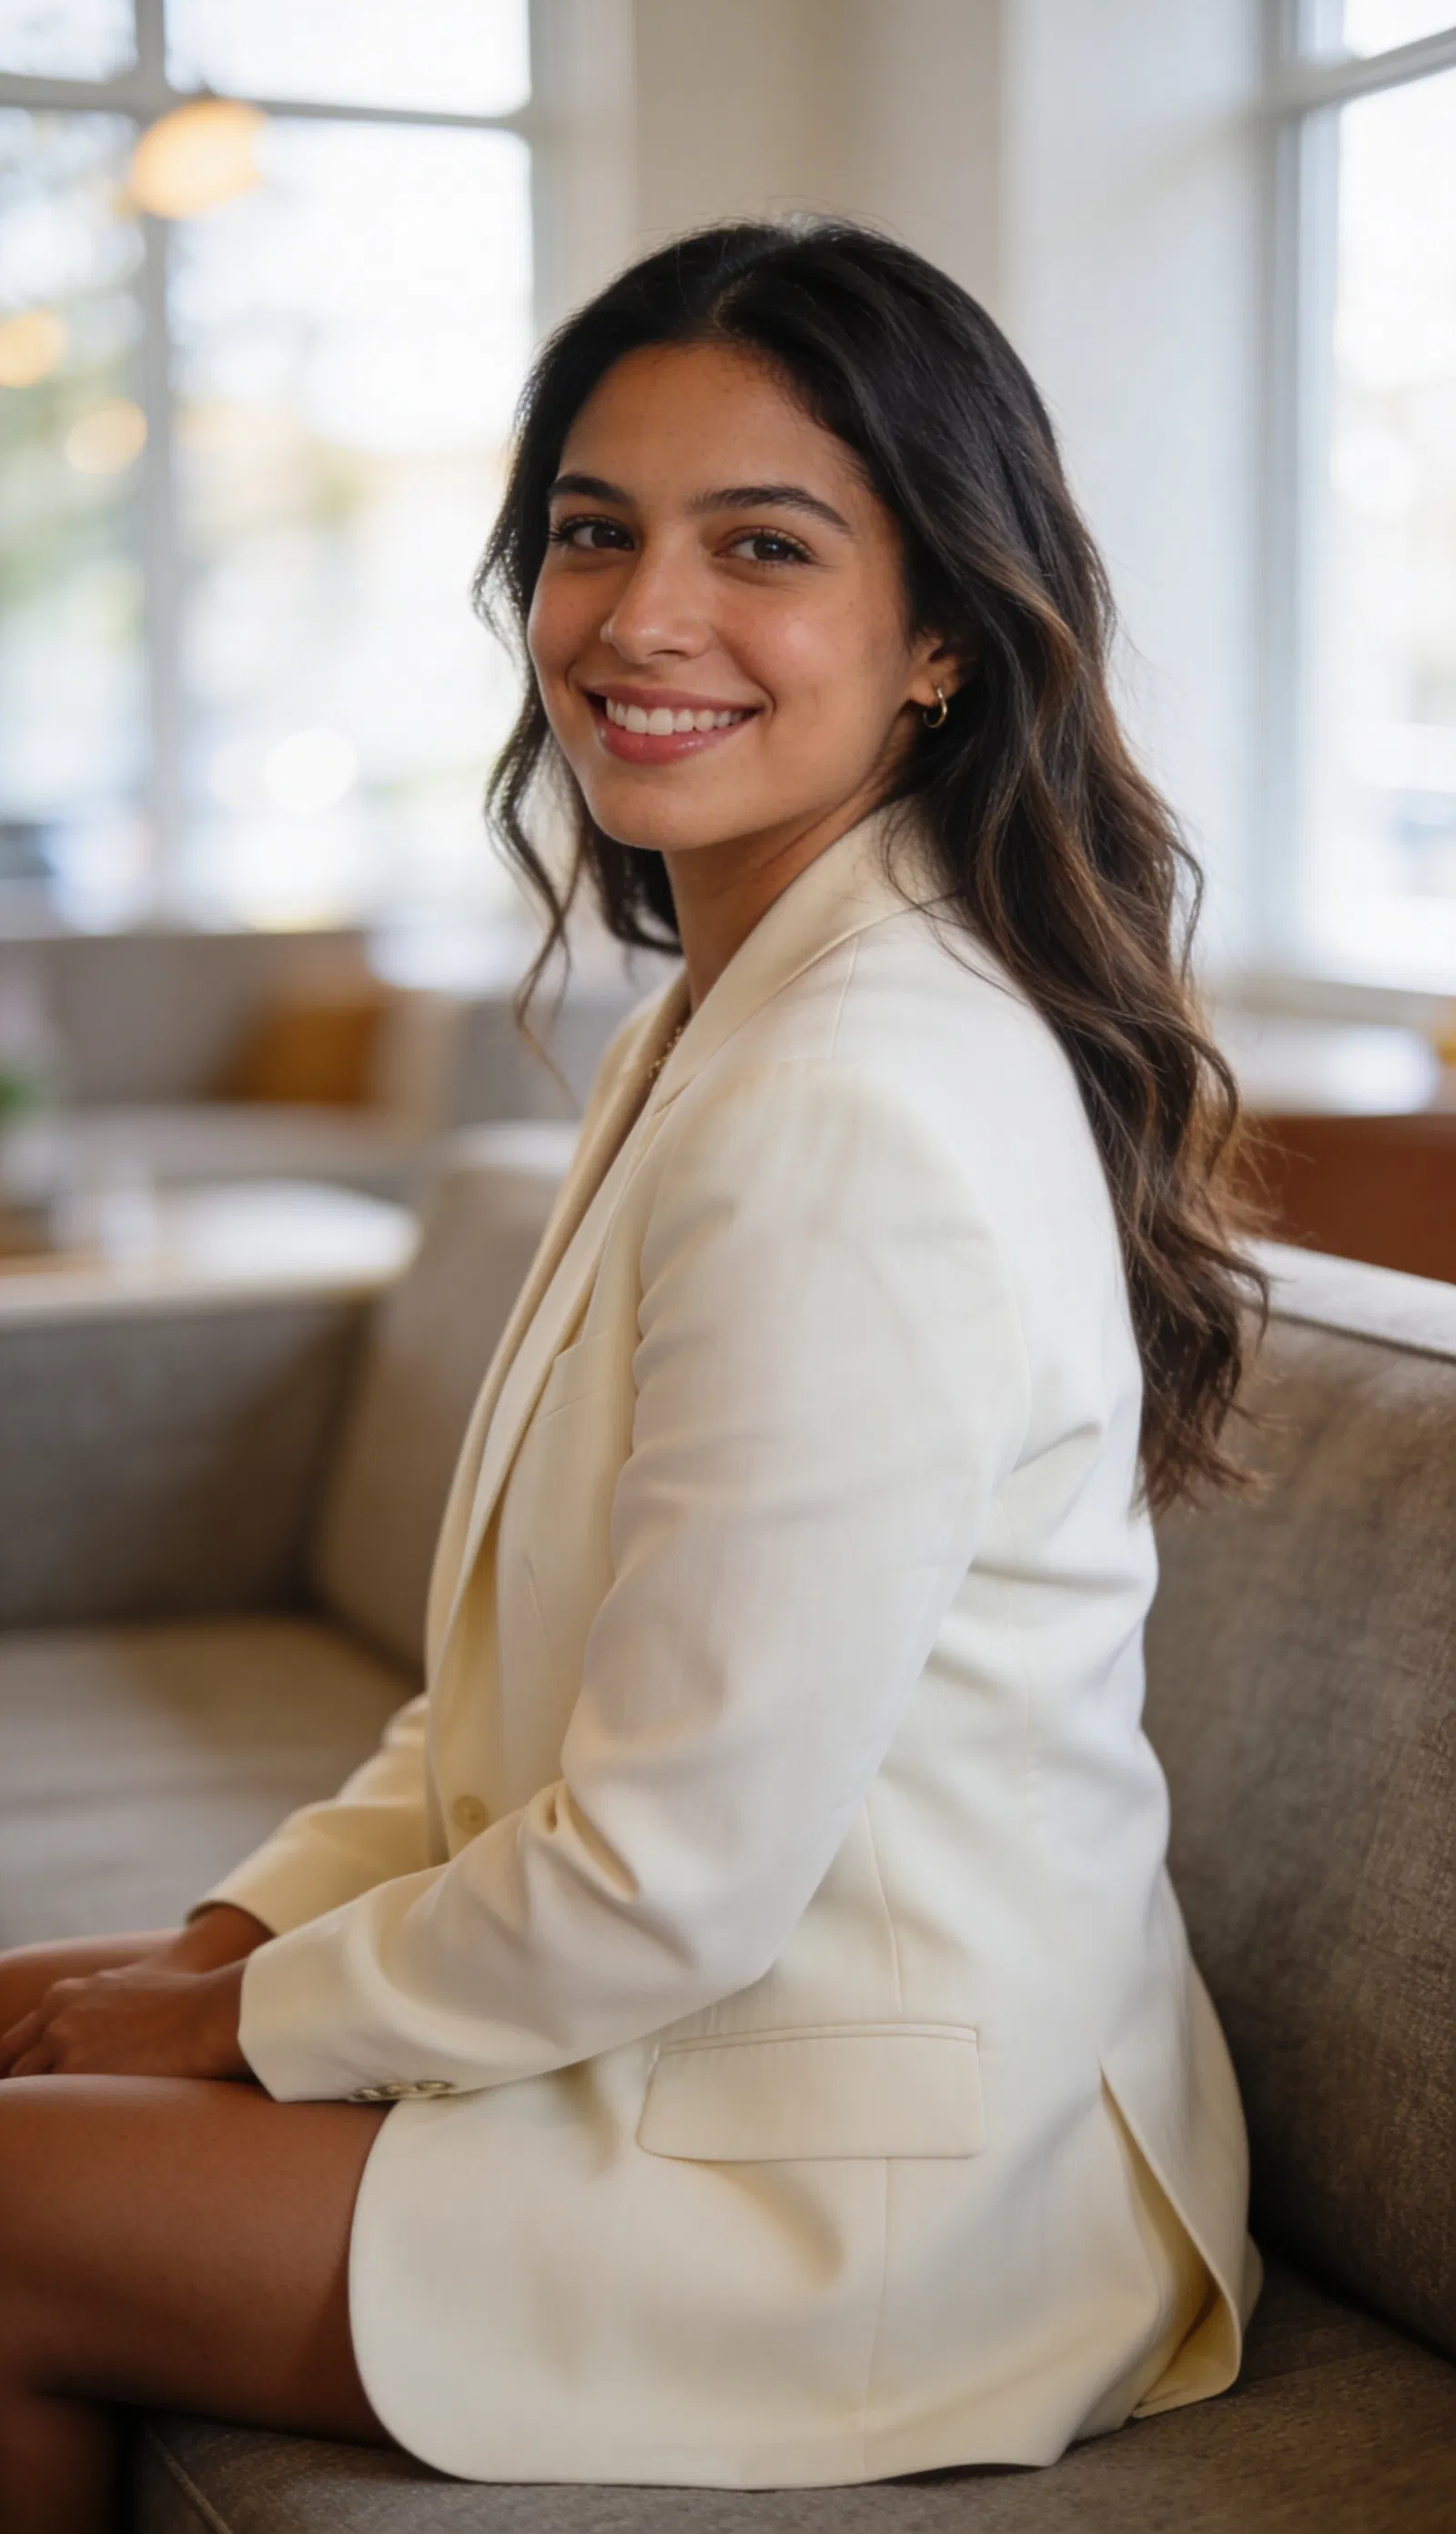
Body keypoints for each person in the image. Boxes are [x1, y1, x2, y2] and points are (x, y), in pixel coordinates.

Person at [0, 218, 1265, 2528]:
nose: (637, 618)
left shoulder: (853, 1098)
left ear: (940, 647)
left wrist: (227, 2022)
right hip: (734, 2055)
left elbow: (665, 1877)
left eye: (757, 547)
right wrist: (228, 1936)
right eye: (593, 533)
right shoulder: (726, 1008)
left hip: (863, 2189)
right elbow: (513, 1694)